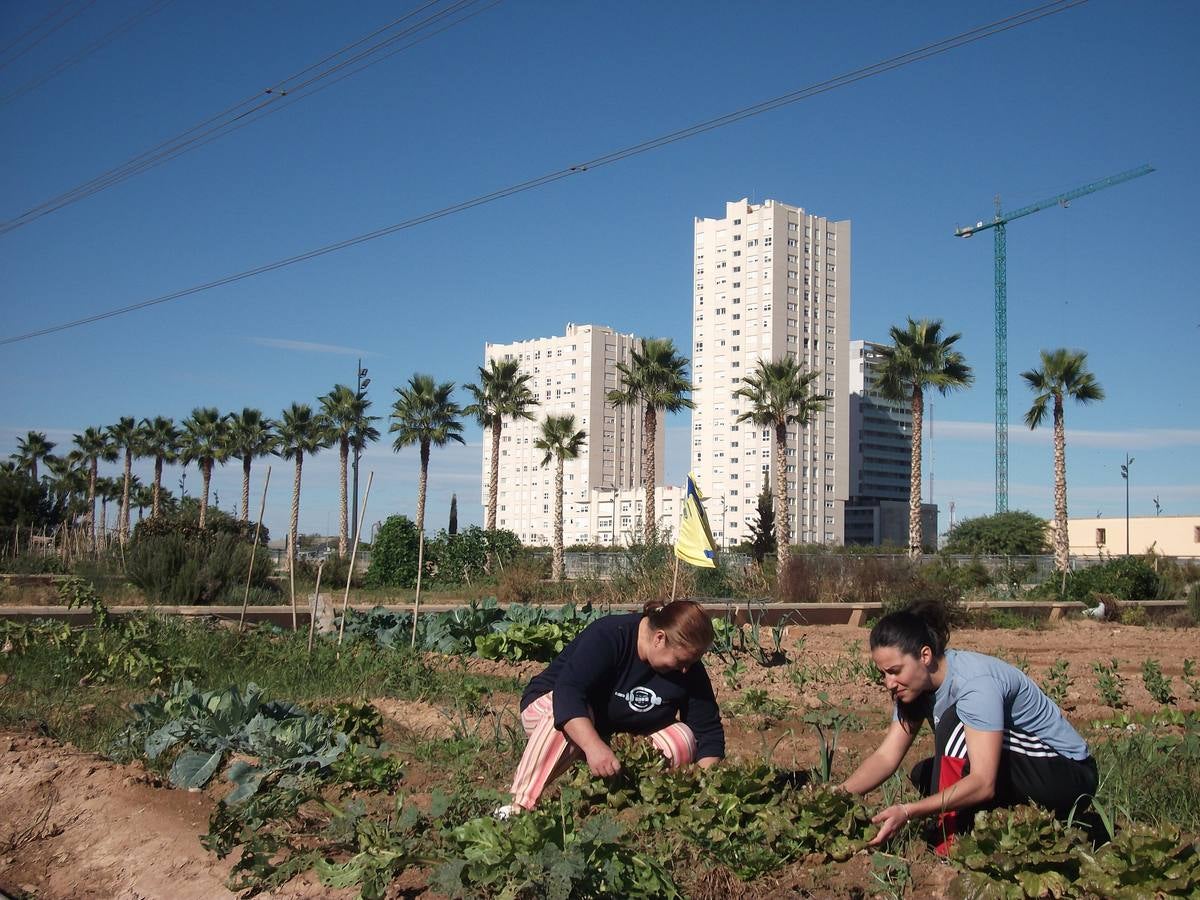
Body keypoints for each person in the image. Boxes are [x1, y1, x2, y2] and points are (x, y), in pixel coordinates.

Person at [840, 600, 1098, 853]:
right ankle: (996, 823)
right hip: (1023, 769)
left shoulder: (973, 684)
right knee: (925, 773)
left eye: (895, 671)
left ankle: (948, 841)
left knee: (953, 726)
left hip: (1068, 774)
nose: (889, 683)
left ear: (925, 655)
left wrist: (909, 811)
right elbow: (886, 757)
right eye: (883, 673)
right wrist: (835, 795)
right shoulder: (914, 689)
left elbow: (983, 781)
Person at [497, 598, 725, 816]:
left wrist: (706, 790)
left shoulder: (689, 668)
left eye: (691, 662)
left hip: (614, 732)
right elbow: (568, 693)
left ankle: (630, 801)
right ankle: (519, 806)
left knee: (682, 739)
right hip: (552, 712)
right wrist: (593, 746)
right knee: (566, 713)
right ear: (659, 638)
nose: (686, 670)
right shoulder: (610, 635)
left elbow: (707, 732)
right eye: (681, 661)